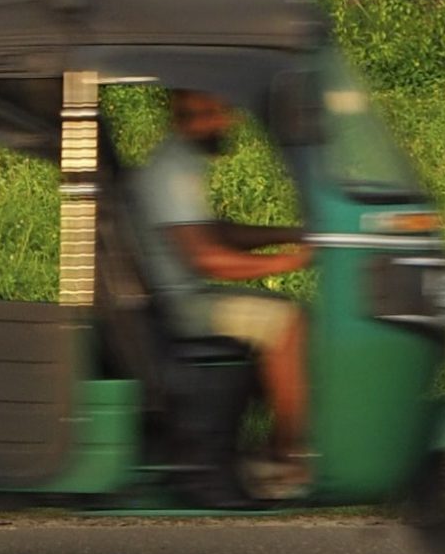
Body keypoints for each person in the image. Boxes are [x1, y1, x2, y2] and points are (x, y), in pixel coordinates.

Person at [127, 87, 313, 482]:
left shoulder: (182, 162)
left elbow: (216, 233)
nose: (223, 122)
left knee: (286, 312)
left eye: (220, 112)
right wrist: (289, 260)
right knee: (287, 321)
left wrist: (289, 233)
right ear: (182, 119)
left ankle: (262, 438)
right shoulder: (171, 171)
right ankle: (287, 454)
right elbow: (207, 258)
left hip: (185, 293)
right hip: (180, 304)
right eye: (209, 114)